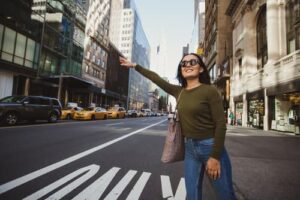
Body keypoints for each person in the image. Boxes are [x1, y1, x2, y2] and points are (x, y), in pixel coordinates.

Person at [120, 53, 236, 200]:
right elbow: (156, 78)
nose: (187, 65)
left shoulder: (209, 90)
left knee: (226, 194)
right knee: (192, 195)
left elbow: (220, 124)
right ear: (181, 70)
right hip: (190, 149)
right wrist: (135, 66)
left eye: (192, 62)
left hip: (210, 146)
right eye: (183, 63)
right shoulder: (179, 92)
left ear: (201, 69)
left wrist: (215, 156)